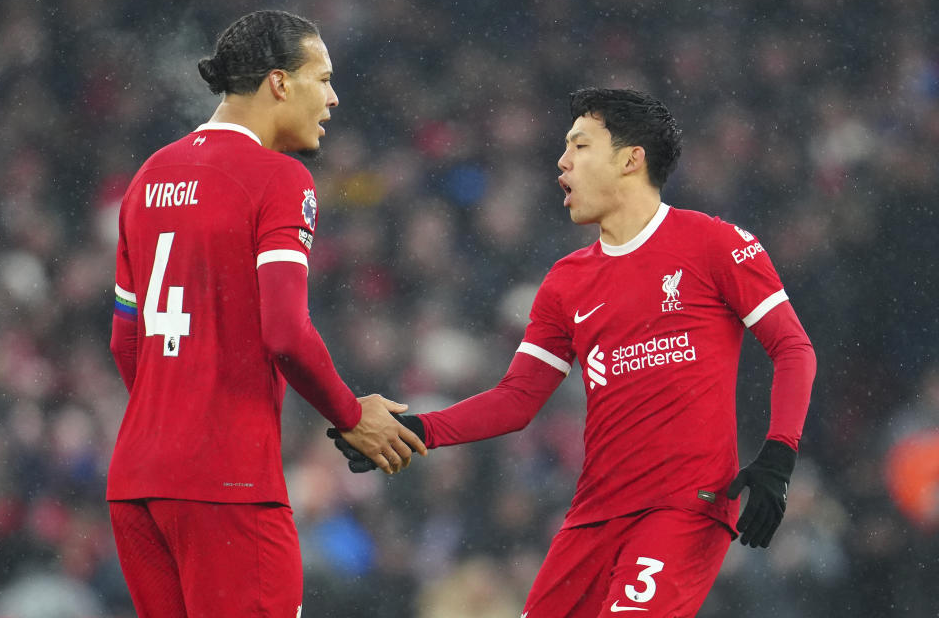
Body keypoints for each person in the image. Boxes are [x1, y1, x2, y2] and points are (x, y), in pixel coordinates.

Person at [331, 88, 817, 617]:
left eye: (580, 147)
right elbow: (517, 399)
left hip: (683, 509)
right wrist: (418, 429)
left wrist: (778, 455)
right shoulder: (566, 282)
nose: (561, 161)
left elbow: (792, 347)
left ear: (632, 159)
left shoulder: (715, 244)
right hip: (591, 518)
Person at [107, 10, 426, 618]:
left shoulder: (147, 178)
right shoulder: (280, 179)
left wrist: (173, 426)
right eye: (323, 78)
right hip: (228, 485)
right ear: (280, 83)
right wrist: (352, 414)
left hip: (137, 483)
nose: (333, 97)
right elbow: (284, 332)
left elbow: (127, 344)